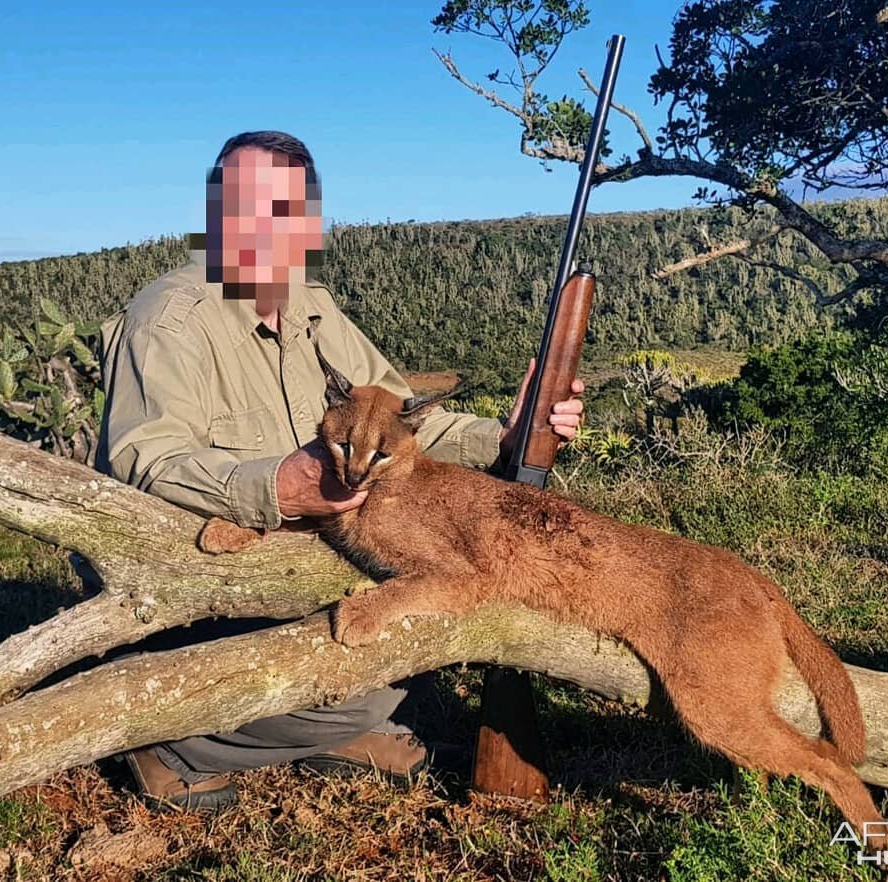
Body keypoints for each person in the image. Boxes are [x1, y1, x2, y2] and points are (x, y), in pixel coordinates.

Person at [95, 130, 585, 812]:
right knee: (394, 649)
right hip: (202, 586)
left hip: (301, 569)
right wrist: (275, 489)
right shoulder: (168, 320)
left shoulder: (313, 307)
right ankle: (170, 741)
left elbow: (398, 423)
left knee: (417, 639)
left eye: (284, 210)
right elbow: (144, 465)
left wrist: (506, 435)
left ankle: (332, 729)